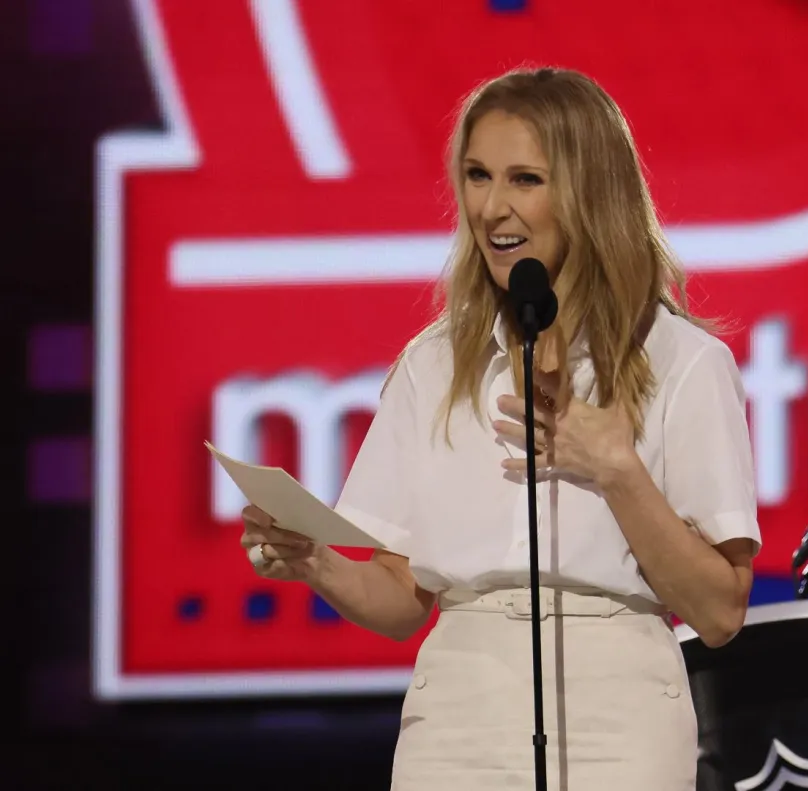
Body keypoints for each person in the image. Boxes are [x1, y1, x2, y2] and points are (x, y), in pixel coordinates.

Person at [239, 66, 761, 790]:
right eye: (478, 176)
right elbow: (400, 600)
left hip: (618, 712)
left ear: (588, 192)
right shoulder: (433, 364)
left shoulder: (682, 362)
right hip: (457, 712)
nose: (491, 207)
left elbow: (720, 609)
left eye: (525, 179)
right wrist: (313, 561)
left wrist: (617, 472)